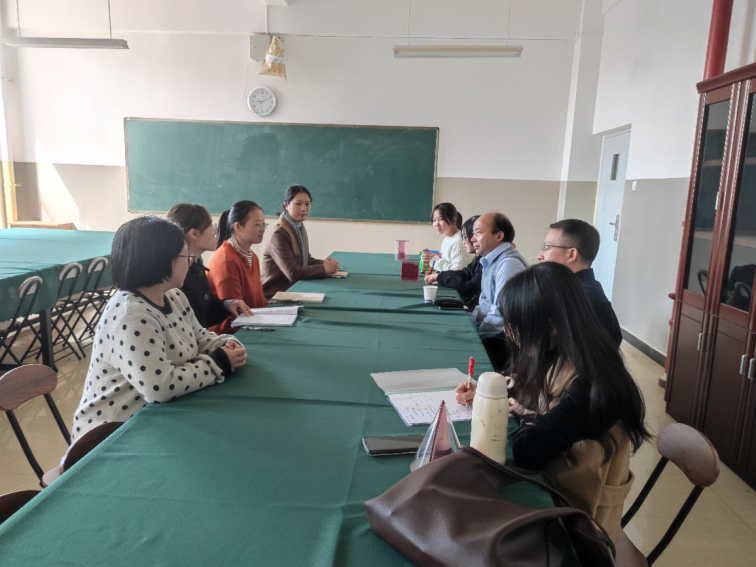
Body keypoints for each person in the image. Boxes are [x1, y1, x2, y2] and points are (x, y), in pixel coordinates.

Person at [456, 262, 650, 544]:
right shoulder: (561, 350)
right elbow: (526, 392)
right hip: (555, 490)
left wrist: (525, 416)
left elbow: (527, 450)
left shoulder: (592, 384)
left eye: (517, 325)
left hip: (579, 525)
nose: (509, 333)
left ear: (552, 327)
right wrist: (492, 395)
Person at [71, 216, 247, 441]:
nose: (191, 262)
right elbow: (160, 387)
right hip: (114, 434)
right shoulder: (131, 315)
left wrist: (228, 345)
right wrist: (219, 362)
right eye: (185, 256)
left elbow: (202, 337)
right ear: (160, 260)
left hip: (157, 419)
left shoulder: (174, 296)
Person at [166, 203, 253, 328]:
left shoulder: (196, 265)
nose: (215, 231)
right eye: (211, 226)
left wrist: (228, 304)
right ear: (194, 234)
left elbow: (205, 311)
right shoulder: (178, 274)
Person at [537, 219, 622, 346]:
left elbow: (539, 344)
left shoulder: (581, 298)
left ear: (571, 254)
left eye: (546, 248)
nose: (539, 256)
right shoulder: (570, 288)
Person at [469, 213, 528, 371]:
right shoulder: (490, 260)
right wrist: (468, 322)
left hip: (502, 342)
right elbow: (484, 303)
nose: (472, 238)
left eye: (478, 233)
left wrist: (475, 333)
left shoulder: (508, 264)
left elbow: (500, 316)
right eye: (473, 233)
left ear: (499, 236)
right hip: (491, 332)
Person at [261, 185, 340, 299]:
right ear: (286, 205)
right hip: (276, 294)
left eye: (307, 204)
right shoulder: (279, 233)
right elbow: (293, 273)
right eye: (298, 204)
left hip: (293, 288)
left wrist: (327, 264)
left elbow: (306, 260)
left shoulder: (298, 228)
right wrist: (323, 268)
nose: (304, 208)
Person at [207, 200, 268, 334]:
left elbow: (259, 301)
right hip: (232, 334)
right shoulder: (226, 261)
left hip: (254, 324)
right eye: (257, 225)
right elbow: (235, 313)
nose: (262, 229)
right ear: (238, 227)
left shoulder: (252, 256)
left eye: (264, 224)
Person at [425, 215, 482, 309]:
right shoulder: (480, 258)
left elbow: (468, 288)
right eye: (434, 220)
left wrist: (440, 277)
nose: (464, 241)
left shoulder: (488, 261)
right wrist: (440, 276)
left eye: (466, 237)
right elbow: (464, 272)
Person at [422, 203, 475, 272]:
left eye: (440, 219)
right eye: (434, 220)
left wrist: (435, 260)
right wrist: (432, 256)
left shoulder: (459, 241)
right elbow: (447, 260)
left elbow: (459, 271)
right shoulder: (448, 238)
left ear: (453, 220)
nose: (436, 224)